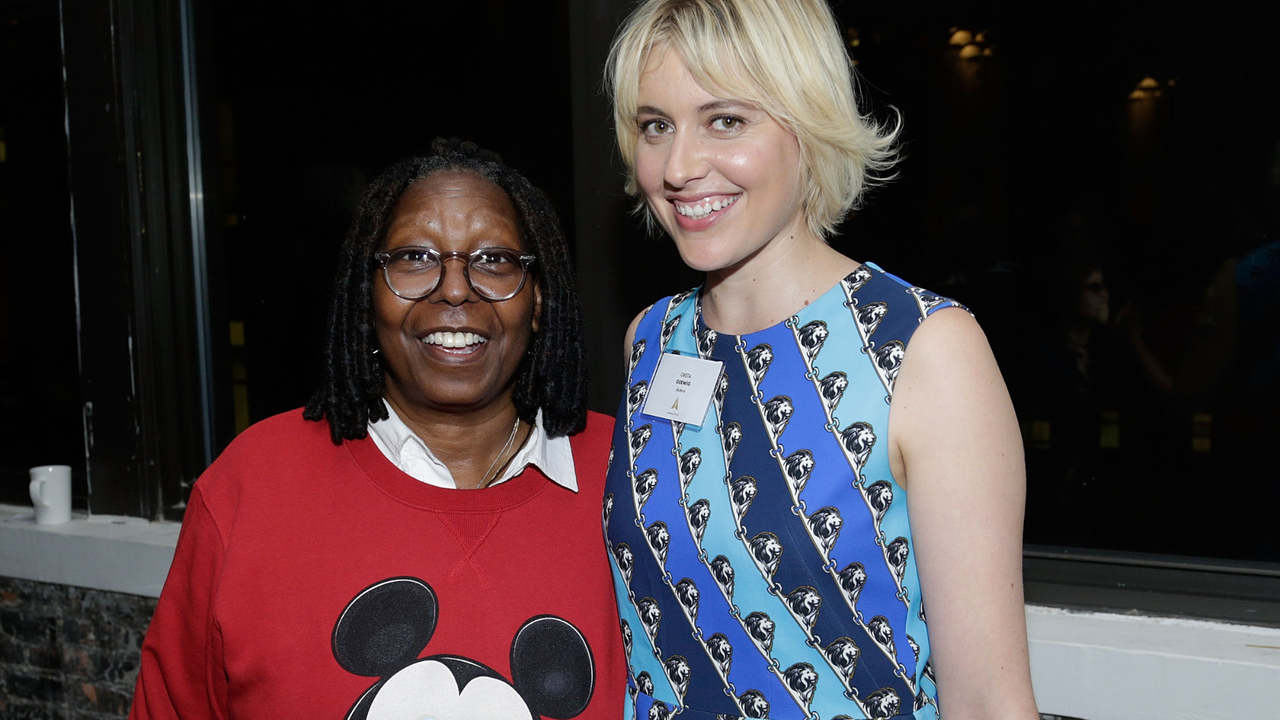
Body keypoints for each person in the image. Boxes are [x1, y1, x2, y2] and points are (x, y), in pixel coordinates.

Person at [600, 2, 1039, 719]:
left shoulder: (923, 349)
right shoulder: (650, 340)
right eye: (656, 126)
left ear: (807, 122)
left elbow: (989, 700)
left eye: (726, 121)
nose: (677, 167)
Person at [130, 140, 624, 719]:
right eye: (414, 257)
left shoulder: (634, 477)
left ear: (538, 301)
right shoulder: (254, 485)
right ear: (368, 298)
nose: (456, 288)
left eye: (493, 259)